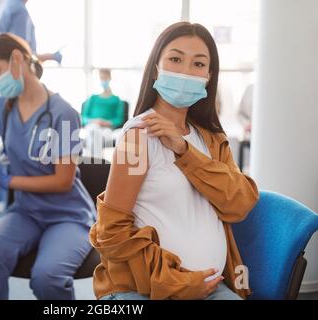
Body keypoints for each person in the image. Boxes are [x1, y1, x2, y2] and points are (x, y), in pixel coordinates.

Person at [89, 22, 259, 300]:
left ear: (208, 75)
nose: (185, 71)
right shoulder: (138, 137)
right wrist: (178, 283)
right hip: (148, 288)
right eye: (175, 59)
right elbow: (112, 235)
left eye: (198, 64)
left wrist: (184, 150)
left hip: (212, 287)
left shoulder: (212, 138)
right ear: (157, 66)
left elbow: (239, 205)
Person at [0, 33, 95, 300]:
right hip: (27, 211)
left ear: (17, 59)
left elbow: (63, 181)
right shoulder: (3, 107)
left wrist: (8, 181)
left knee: (47, 277)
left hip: (68, 216)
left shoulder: (64, 113)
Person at [0, 0, 62, 64]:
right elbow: (22, 52)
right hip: (19, 66)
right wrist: (51, 57)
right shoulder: (19, 10)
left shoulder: (8, 4)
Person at [81, 69, 125, 156]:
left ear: (110, 78)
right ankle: (96, 162)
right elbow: (83, 118)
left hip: (108, 129)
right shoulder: (93, 98)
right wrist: (94, 121)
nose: (103, 80)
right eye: (101, 78)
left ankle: (93, 161)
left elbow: (120, 119)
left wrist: (107, 122)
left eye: (105, 77)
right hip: (92, 127)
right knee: (94, 132)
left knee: (99, 136)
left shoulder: (116, 100)